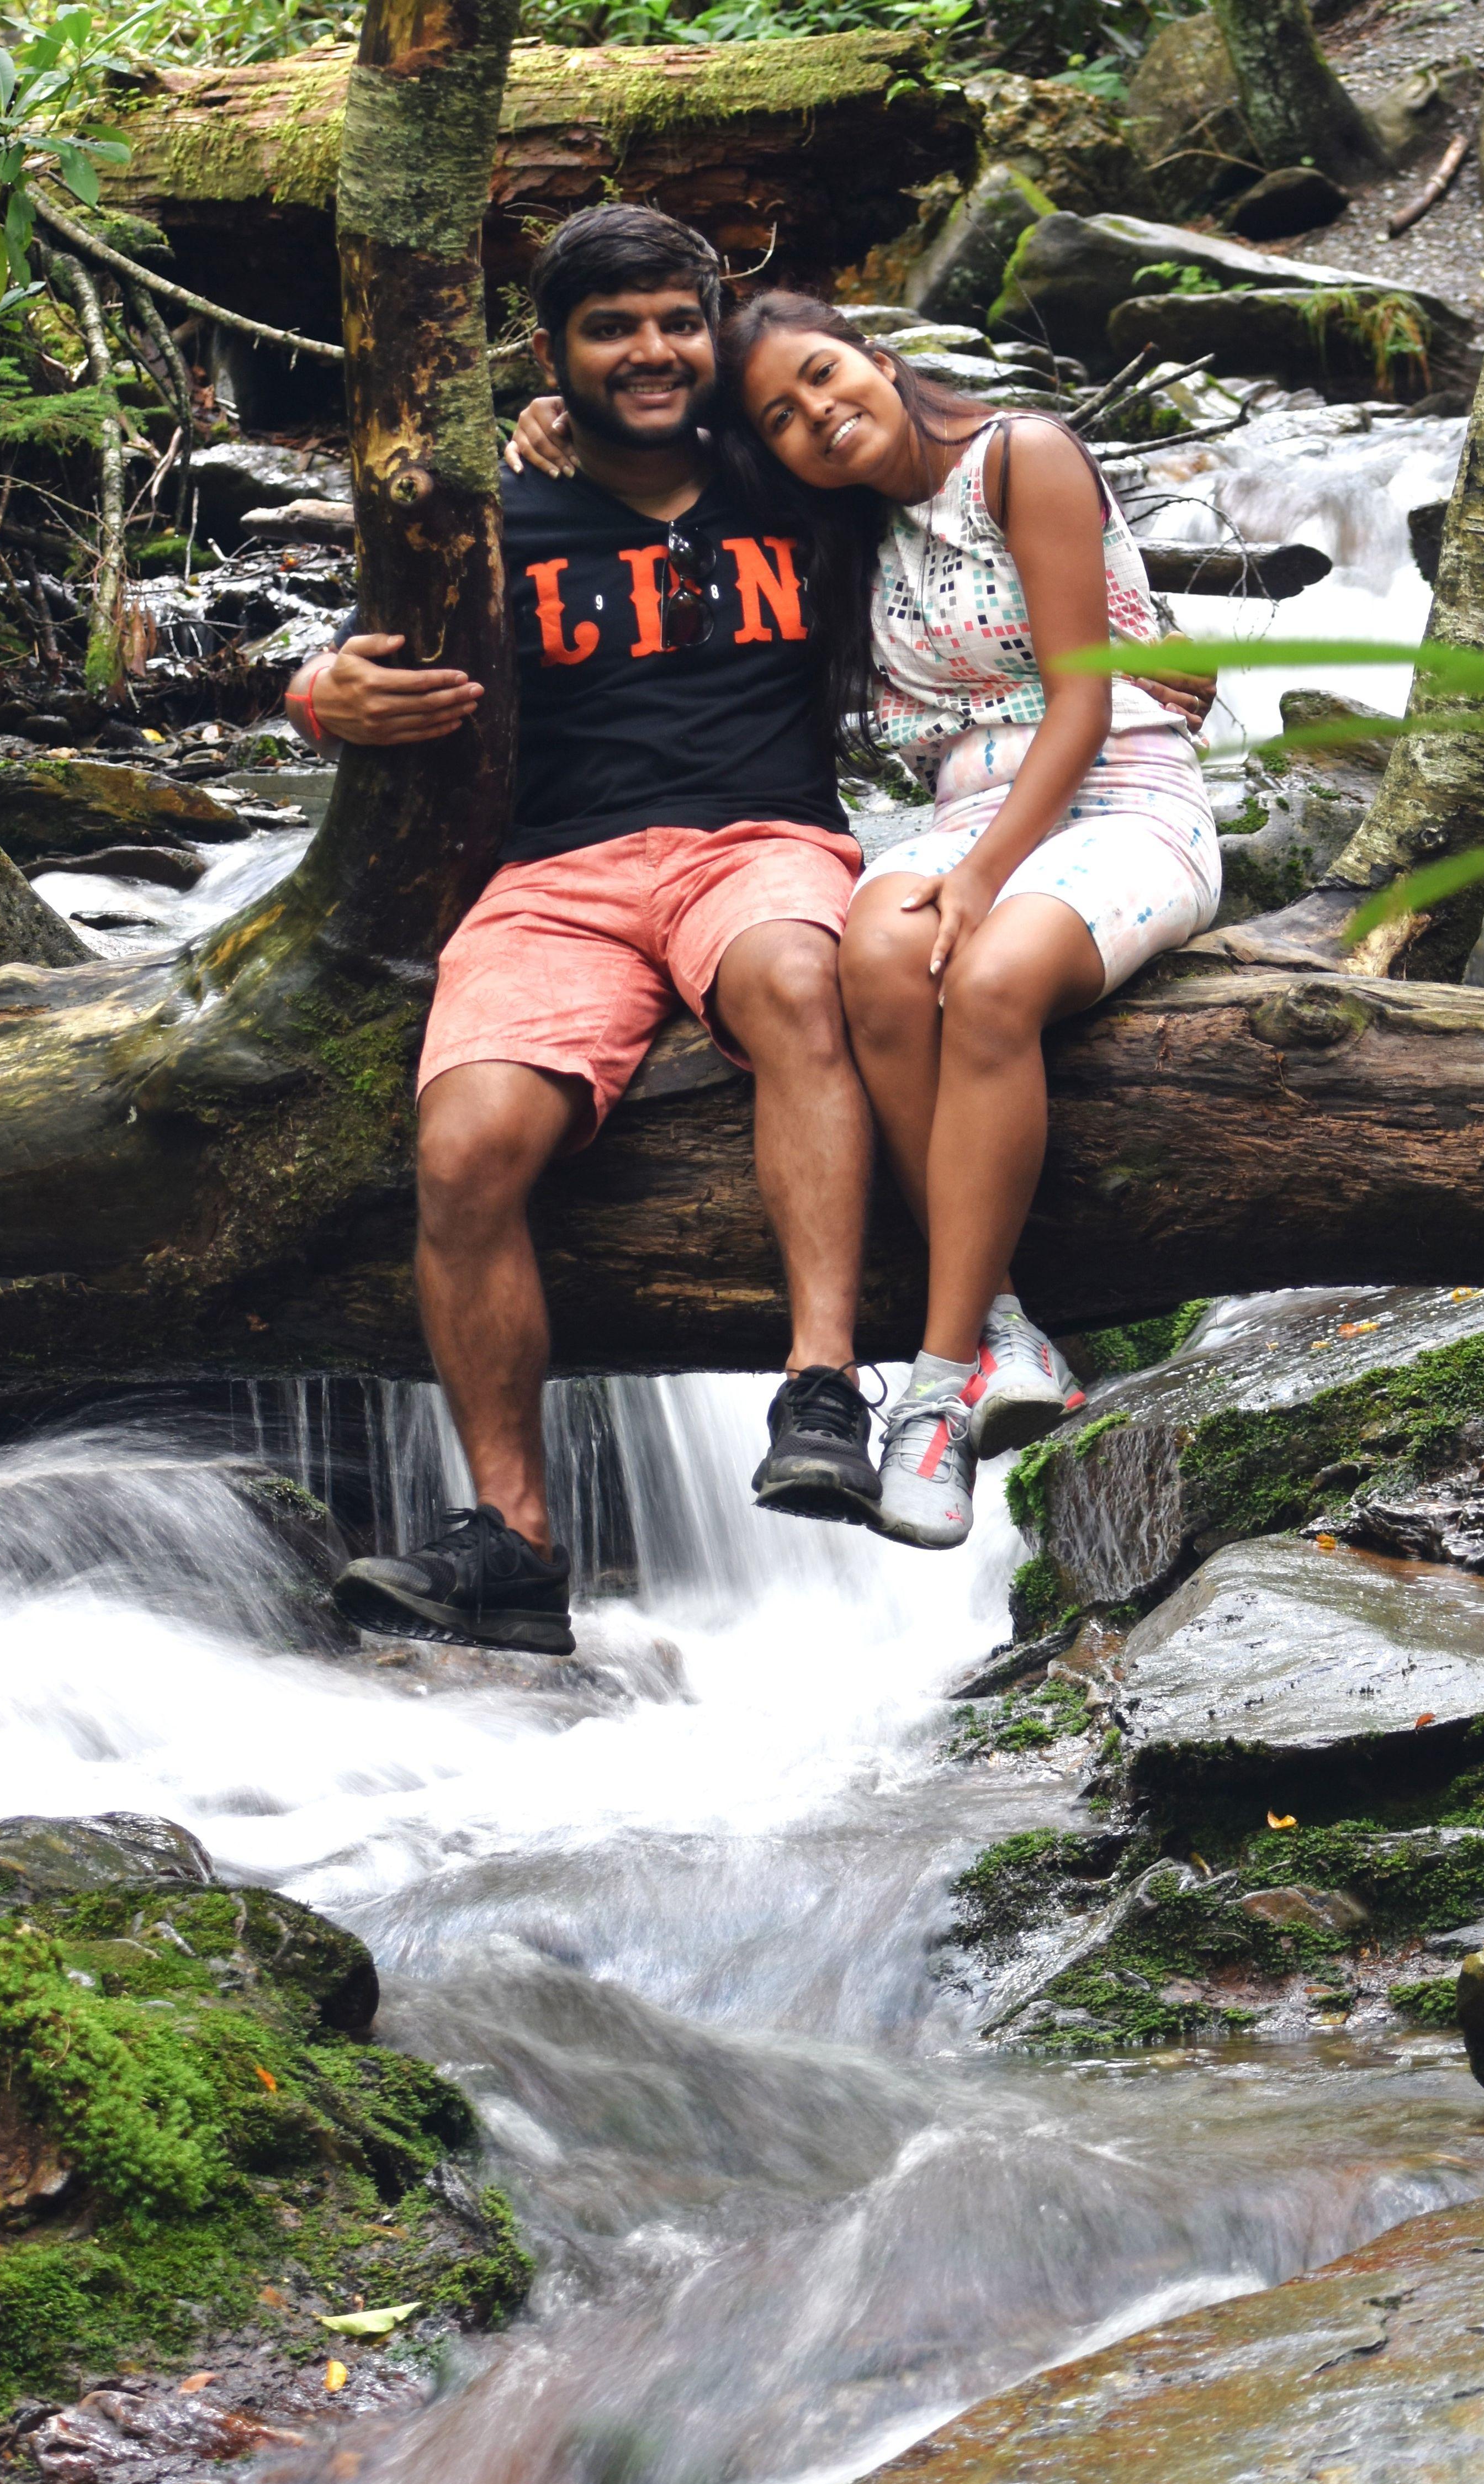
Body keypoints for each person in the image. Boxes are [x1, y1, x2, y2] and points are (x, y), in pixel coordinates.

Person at [510, 292, 1223, 1551]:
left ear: (880, 360)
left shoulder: (1024, 454)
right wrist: (548, 424)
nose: (819, 417)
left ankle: (938, 1391)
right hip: (969, 810)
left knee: (990, 978)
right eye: (780, 418)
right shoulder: (840, 527)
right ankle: (1003, 1326)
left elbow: (1085, 702)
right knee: (875, 955)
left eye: (827, 376)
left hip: (1120, 789)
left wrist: (984, 873)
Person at [293, 208, 887, 1659]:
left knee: (801, 981)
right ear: (550, 356)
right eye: (610, 328)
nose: (651, 352)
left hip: (761, 843)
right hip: (555, 874)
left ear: (713, 328)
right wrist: (317, 698)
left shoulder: (782, 467)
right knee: (464, 1144)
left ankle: (820, 1391)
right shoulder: (492, 511)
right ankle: (510, 1542)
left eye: (675, 321)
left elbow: (938, 467)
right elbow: (344, 663)